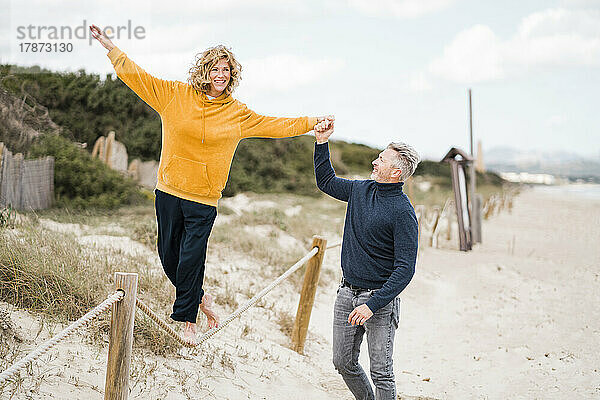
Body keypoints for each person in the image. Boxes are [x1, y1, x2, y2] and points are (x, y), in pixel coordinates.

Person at [90, 24, 333, 344]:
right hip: (169, 190)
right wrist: (111, 47)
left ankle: (188, 320)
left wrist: (312, 122)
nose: (222, 74)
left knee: (191, 256)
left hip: (204, 199)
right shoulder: (174, 95)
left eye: (228, 70)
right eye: (216, 69)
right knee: (168, 256)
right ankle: (200, 298)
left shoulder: (237, 113)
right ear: (204, 70)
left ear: (233, 76)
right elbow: (138, 76)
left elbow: (276, 125)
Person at [313, 120, 419, 399]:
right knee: (342, 363)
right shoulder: (361, 191)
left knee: (381, 372)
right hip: (347, 292)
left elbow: (405, 268)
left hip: (380, 301)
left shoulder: (403, 213)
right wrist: (322, 142)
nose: (374, 161)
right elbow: (325, 182)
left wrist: (372, 305)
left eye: (381, 160)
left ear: (396, 172)